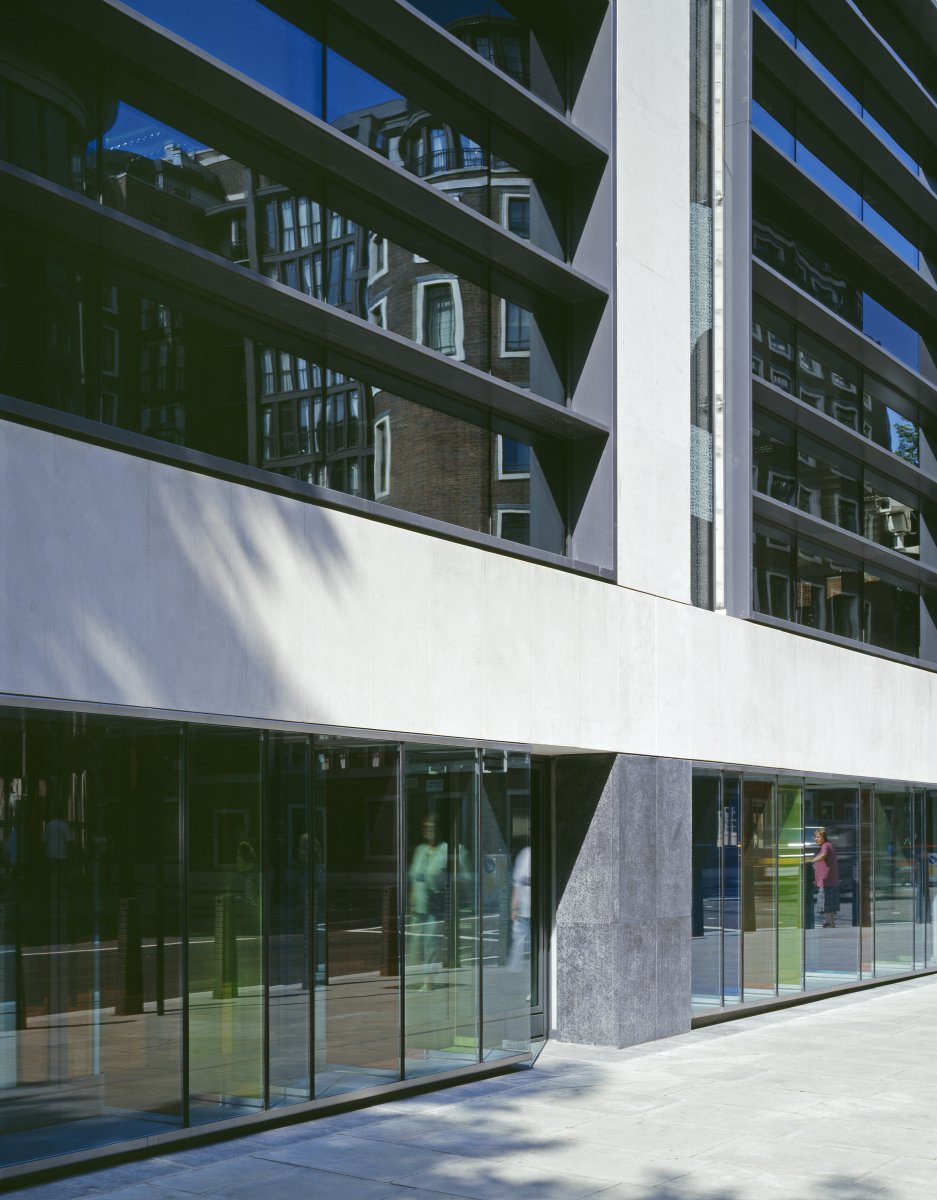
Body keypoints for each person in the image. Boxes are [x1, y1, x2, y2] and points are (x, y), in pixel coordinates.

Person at [810, 826, 839, 928]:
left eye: (817, 837)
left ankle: (830, 922)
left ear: (823, 837)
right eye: (815, 837)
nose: (815, 839)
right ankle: (829, 921)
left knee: (827, 901)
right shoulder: (825, 846)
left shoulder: (826, 846)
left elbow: (823, 856)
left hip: (828, 881)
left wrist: (811, 860)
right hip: (826, 880)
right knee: (827, 902)